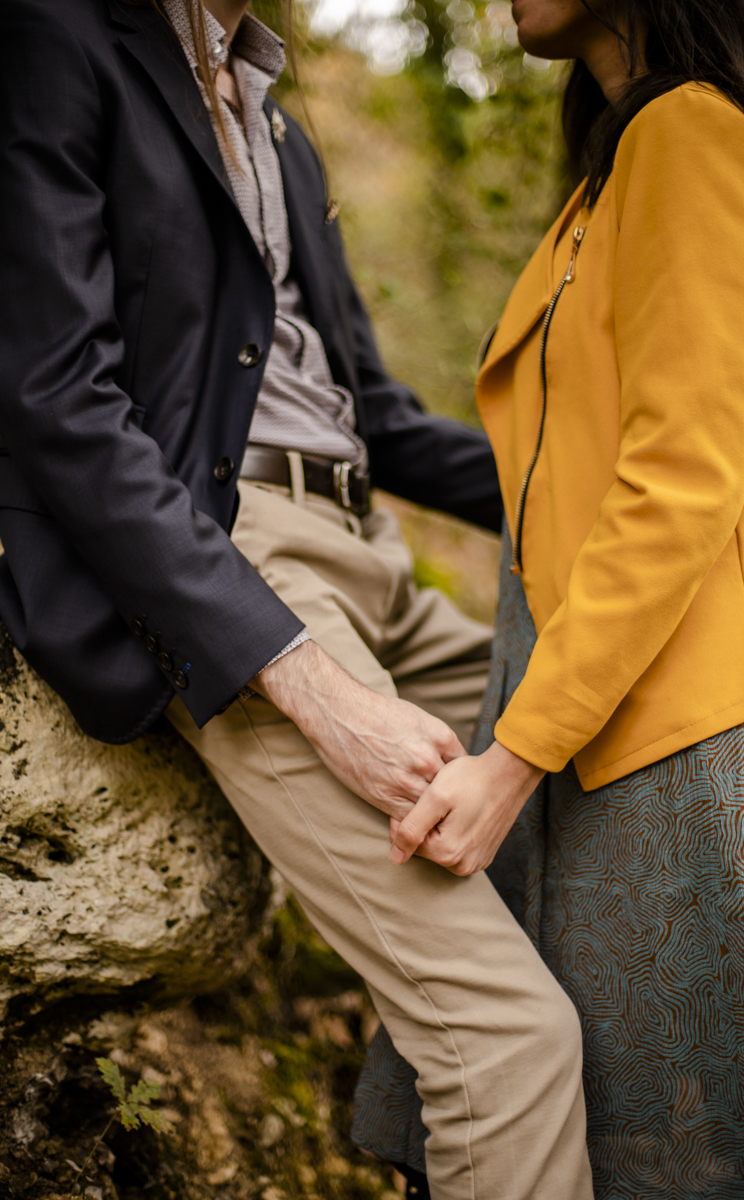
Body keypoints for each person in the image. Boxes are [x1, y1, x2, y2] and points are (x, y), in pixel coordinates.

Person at [0, 1, 596, 1196]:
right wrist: (300, 676)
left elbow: (374, 414)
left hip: (369, 543)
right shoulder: (56, 39)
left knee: (632, 761)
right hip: (234, 560)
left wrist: (600, 492)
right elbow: (55, 398)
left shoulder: (279, 123)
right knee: (510, 1039)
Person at [363, 0, 744, 1195]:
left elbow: (676, 488)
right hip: (613, 712)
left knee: (694, 1157)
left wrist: (509, 756)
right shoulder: (621, 159)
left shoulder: (689, 134)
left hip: (680, 739)